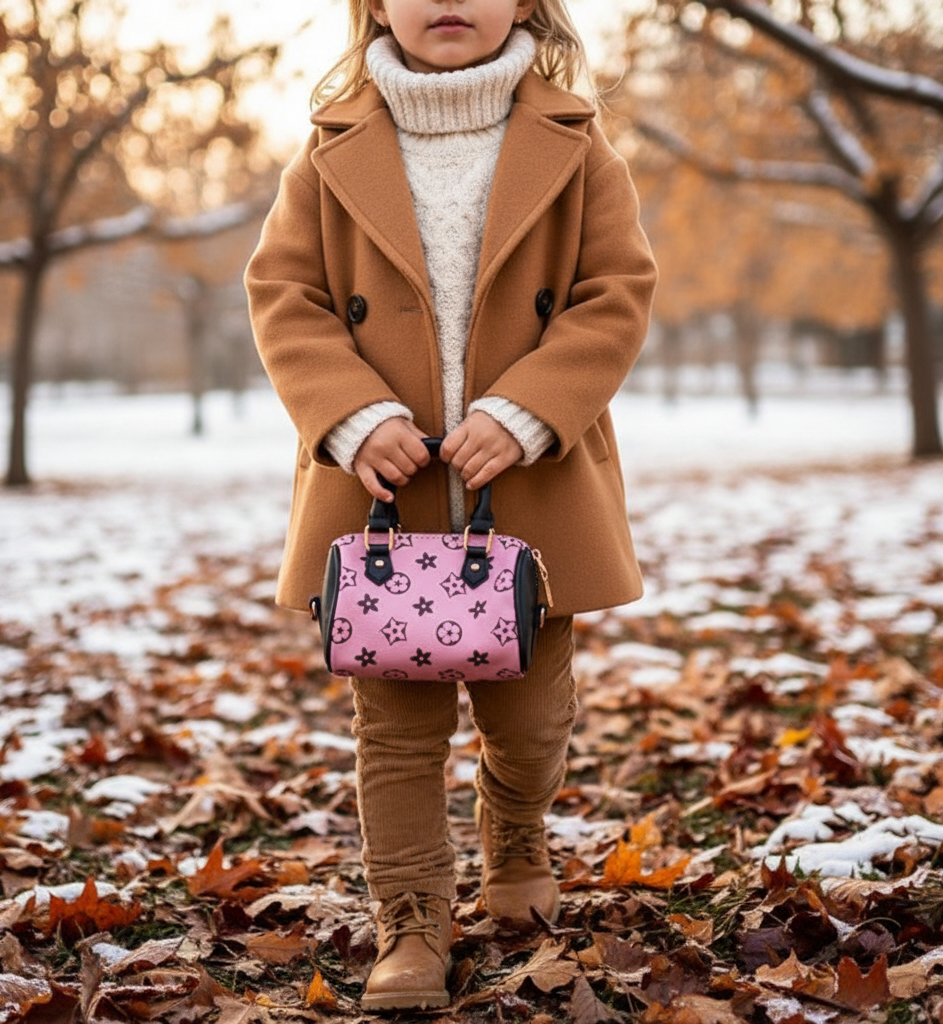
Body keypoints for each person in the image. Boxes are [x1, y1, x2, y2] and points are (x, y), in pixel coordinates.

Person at [245, 0, 657, 1010]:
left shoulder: (575, 142)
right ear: (376, 5)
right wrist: (350, 414)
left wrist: (525, 410)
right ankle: (411, 925)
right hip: (382, 497)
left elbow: (616, 290)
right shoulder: (330, 147)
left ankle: (514, 833)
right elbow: (284, 295)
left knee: (529, 724)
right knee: (394, 732)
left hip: (530, 490)